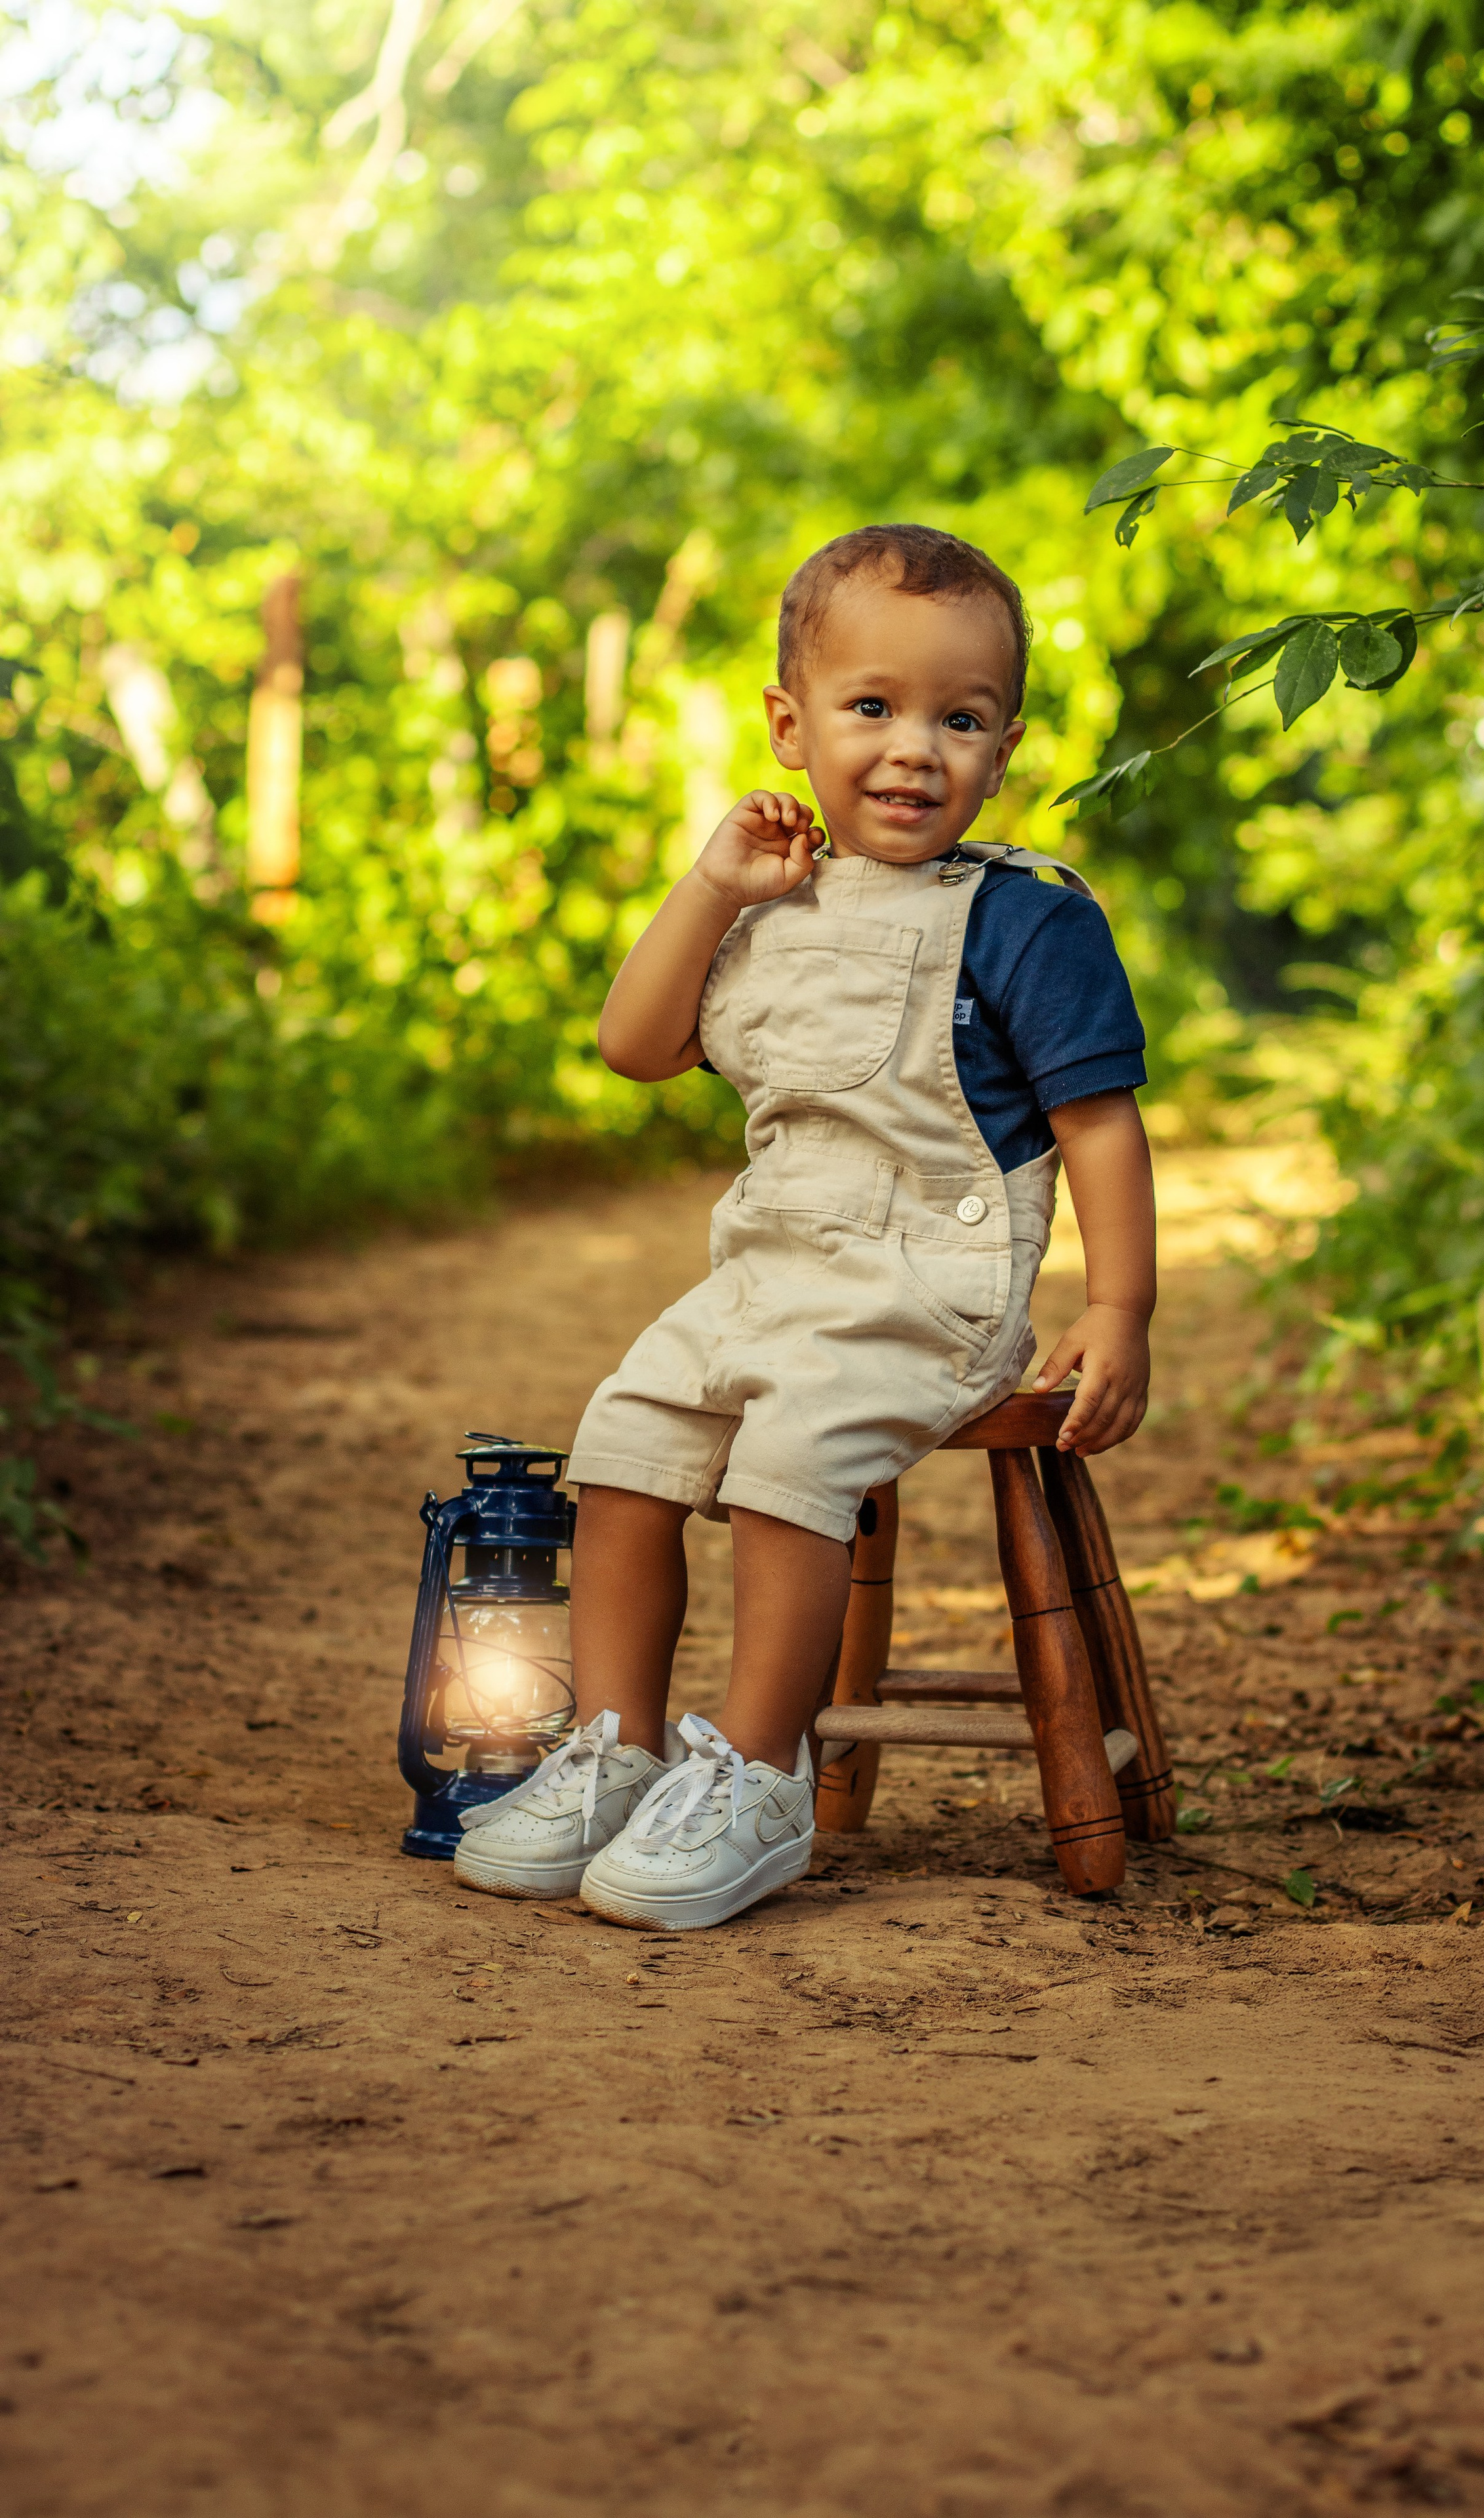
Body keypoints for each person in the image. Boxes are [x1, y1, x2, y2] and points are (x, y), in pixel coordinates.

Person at [454, 523, 1157, 1928]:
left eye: (959, 720)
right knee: (627, 1438)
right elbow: (634, 1046)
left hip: (927, 1292)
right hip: (765, 1276)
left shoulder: (1023, 920)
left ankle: (757, 1771)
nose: (913, 750)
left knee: (790, 1452)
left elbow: (1098, 1126)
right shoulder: (768, 902)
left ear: (1002, 747)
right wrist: (713, 884)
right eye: (872, 708)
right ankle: (615, 1748)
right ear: (791, 726)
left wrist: (1117, 1310)